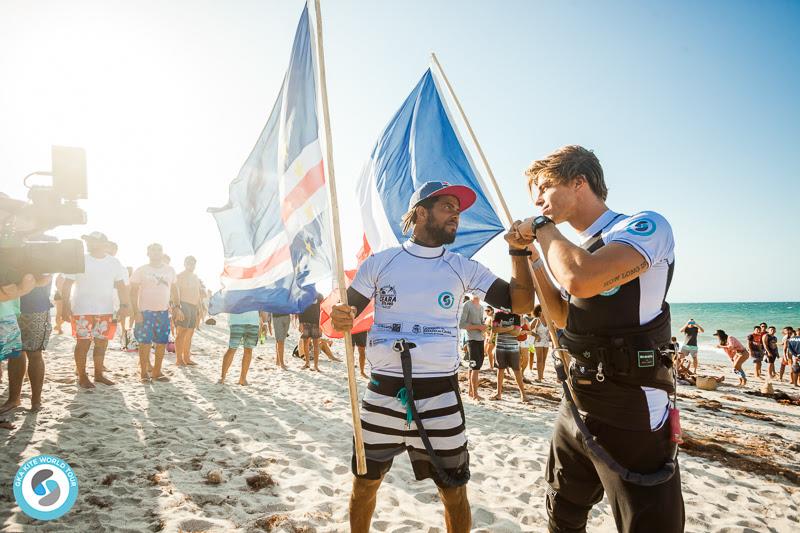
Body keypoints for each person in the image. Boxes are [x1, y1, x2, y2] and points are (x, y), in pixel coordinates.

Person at [330, 181, 534, 533]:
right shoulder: (380, 263)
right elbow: (344, 314)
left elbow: (522, 303)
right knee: (364, 485)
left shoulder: (462, 267)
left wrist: (517, 252)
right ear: (421, 212)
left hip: (440, 396)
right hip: (382, 394)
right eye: (448, 206)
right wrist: (340, 315)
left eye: (458, 208)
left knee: (454, 491)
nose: (457, 213)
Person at [513, 145, 684, 532]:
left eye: (543, 187)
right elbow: (561, 314)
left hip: (632, 404)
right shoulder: (568, 249)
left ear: (579, 182)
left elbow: (582, 279)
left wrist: (541, 228)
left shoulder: (642, 226)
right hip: (578, 398)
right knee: (563, 510)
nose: (537, 200)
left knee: (647, 522)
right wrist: (530, 255)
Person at [62, 232, 129, 388]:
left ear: (104, 244)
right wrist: (65, 306)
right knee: (83, 344)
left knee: (101, 343)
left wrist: (124, 306)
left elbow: (121, 286)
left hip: (106, 309)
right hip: (82, 310)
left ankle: (98, 375)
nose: (89, 243)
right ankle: (82, 376)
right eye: (88, 241)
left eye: (93, 241)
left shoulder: (114, 262)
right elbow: (67, 284)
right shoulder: (80, 259)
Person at [0, 275, 52, 414]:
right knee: (15, 353)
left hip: (36, 307)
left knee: (34, 353)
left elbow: (45, 279)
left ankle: (36, 401)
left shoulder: (41, 254)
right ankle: (14, 399)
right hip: (9, 307)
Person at [130, 243, 182, 383]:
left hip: (163, 312)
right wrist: (136, 312)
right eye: (153, 250)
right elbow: (133, 293)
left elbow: (175, 289)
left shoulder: (170, 270)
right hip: (145, 312)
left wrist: (177, 306)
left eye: (159, 250)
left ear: (162, 252)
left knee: (161, 343)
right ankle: (143, 373)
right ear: (148, 253)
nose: (156, 252)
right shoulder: (141, 270)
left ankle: (157, 372)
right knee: (144, 343)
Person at [490, 309, 527, 402]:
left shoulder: (517, 315)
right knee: (500, 369)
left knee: (517, 370)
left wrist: (502, 329)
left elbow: (517, 333)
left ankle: (523, 395)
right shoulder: (497, 314)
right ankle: (498, 394)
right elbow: (494, 330)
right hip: (500, 346)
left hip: (513, 347)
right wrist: (510, 328)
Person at [219, 310, 260, 385]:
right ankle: (222, 377)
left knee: (249, 350)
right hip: (237, 321)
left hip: (253, 322)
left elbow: (262, 304)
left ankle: (242, 379)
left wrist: (265, 323)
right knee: (232, 348)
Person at [175, 256, 202, 366]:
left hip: (194, 306)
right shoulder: (179, 276)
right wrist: (177, 308)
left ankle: (187, 358)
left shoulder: (195, 277)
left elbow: (197, 292)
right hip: (183, 305)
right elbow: (175, 293)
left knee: (190, 333)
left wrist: (199, 307)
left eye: (193, 263)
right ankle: (178, 359)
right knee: (181, 332)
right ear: (185, 264)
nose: (191, 265)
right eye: (189, 263)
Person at [459, 294, 486, 401]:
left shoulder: (482, 306)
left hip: (480, 339)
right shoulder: (467, 305)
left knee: (473, 367)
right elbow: (461, 324)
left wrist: (484, 327)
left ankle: (471, 392)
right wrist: (478, 326)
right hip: (472, 340)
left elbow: (481, 323)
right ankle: (475, 394)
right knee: (475, 368)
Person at [300, 294, 324, 371]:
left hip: (316, 323)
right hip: (305, 322)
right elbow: (300, 309)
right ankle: (307, 363)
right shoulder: (304, 296)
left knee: (316, 344)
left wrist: (321, 324)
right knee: (305, 343)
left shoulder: (320, 296)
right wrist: (300, 323)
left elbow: (322, 310)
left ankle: (316, 365)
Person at [531, 304, 550, 381]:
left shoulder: (549, 319)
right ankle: (539, 378)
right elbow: (528, 329)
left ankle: (541, 376)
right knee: (539, 359)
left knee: (544, 359)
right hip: (538, 341)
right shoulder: (536, 320)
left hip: (546, 341)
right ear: (539, 312)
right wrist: (536, 336)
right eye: (544, 309)